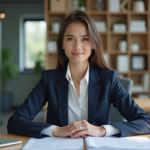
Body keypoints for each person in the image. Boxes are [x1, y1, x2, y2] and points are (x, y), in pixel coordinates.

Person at [7, 10, 150, 138]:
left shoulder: (108, 79)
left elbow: (145, 122)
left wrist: (101, 130)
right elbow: (15, 122)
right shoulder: (48, 80)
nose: (77, 46)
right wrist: (56, 130)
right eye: (70, 39)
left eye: (85, 39)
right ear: (62, 44)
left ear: (93, 43)